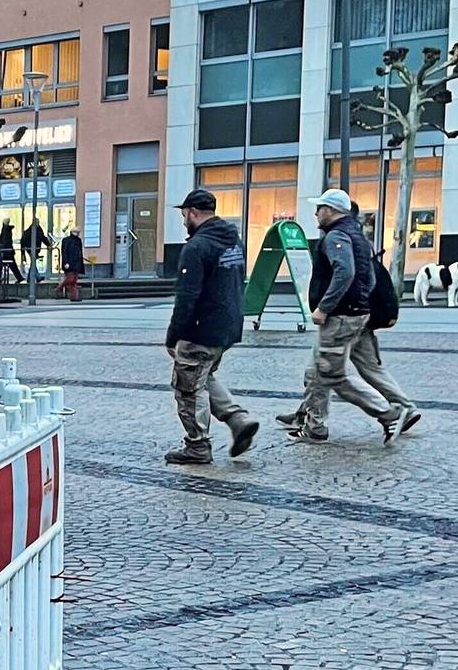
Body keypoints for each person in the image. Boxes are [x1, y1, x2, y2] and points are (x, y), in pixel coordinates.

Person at [277, 190, 407, 444]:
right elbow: (370, 276)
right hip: (352, 313)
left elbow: (345, 272)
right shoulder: (356, 234)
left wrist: (325, 307)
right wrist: (360, 302)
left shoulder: (337, 235)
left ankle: (389, 413)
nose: (316, 213)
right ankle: (313, 424)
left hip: (340, 317)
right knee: (315, 370)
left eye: (320, 207)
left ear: (333, 210)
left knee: (333, 375)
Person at [163, 189, 258, 465]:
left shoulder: (196, 247)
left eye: (184, 215)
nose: (183, 221)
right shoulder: (232, 241)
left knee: (188, 387)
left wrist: (174, 336)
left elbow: (187, 297)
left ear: (193, 213)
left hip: (201, 328)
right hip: (228, 325)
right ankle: (238, 419)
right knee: (202, 377)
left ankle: (197, 445)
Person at [351, 249, 419, 437]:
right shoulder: (359, 244)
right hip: (360, 320)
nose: (317, 216)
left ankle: (392, 413)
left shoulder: (340, 240)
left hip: (347, 320)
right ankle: (406, 408)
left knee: (328, 372)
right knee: (370, 369)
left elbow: (343, 280)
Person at [21, 219, 51, 284]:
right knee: (33, 262)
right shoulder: (30, 231)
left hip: (35, 249)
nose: (38, 223)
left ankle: (30, 278)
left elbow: (43, 238)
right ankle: (37, 277)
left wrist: (48, 244)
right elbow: (24, 240)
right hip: (31, 249)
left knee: (33, 263)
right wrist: (26, 249)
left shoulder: (38, 229)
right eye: (37, 222)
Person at [59, 228, 85, 302]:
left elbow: (80, 252)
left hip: (77, 263)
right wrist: (65, 262)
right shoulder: (66, 240)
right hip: (69, 263)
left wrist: (80, 263)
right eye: (75, 232)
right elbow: (64, 252)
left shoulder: (78, 240)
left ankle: (74, 297)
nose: (77, 233)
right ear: (71, 232)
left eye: (78, 232)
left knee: (74, 281)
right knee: (70, 279)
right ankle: (59, 288)